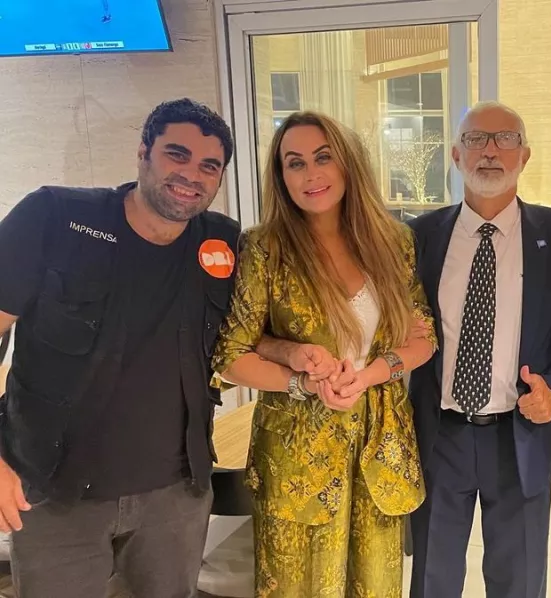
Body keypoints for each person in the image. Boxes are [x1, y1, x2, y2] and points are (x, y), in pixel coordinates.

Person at [0, 98, 237, 597]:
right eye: (177, 154)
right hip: (54, 495)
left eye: (209, 166)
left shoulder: (222, 243)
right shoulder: (55, 217)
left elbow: (246, 342)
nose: (191, 175)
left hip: (175, 497)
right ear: (143, 152)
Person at [210, 111, 437, 597]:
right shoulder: (265, 247)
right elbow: (231, 354)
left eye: (323, 157)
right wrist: (300, 377)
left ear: (347, 163)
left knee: (375, 586)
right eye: (295, 163)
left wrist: (371, 375)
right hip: (297, 453)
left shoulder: (393, 242)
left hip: (379, 447)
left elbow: (423, 336)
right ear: (281, 176)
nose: (311, 174)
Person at [407, 101, 551, 598]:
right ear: (456, 156)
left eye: (505, 139)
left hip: (519, 436)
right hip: (439, 436)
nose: (489, 151)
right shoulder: (418, 237)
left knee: (518, 579)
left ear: (524, 155)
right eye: (475, 139)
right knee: (432, 577)